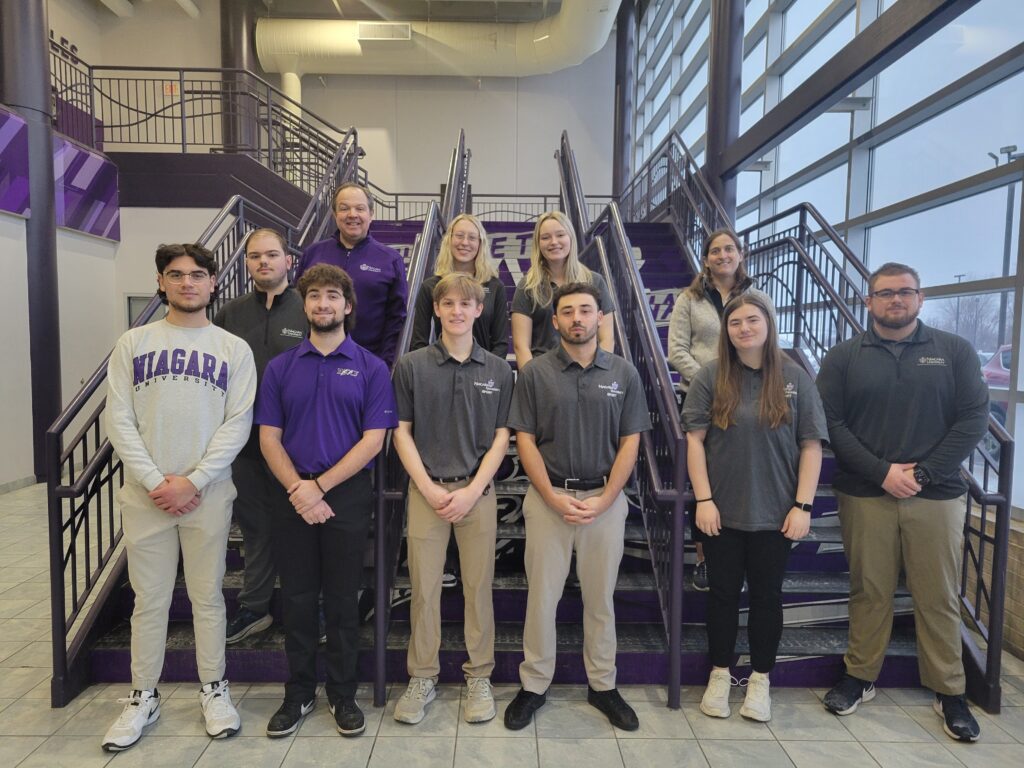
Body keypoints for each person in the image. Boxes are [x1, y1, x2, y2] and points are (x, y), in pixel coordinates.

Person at [816, 262, 989, 741]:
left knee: (937, 594)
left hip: (936, 496)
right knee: (869, 589)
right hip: (866, 491)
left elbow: (973, 419)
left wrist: (923, 472)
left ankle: (949, 689)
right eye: (885, 293)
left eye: (905, 292)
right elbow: (831, 423)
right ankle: (859, 676)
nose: (896, 300)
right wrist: (882, 472)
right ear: (868, 302)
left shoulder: (952, 351)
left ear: (920, 298)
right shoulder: (844, 356)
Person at [102, 243, 257, 751]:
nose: (188, 283)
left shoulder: (234, 349)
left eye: (197, 275)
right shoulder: (133, 343)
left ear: (213, 283)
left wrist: (193, 480)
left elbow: (238, 424)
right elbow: (118, 419)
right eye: (176, 275)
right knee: (149, 601)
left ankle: (214, 690)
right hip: (146, 496)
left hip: (207, 494)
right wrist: (154, 481)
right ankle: (143, 695)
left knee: (207, 597)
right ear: (161, 282)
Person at [257, 264, 398, 738]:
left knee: (341, 602)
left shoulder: (370, 367)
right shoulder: (280, 367)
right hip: (292, 496)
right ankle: (298, 694)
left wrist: (321, 487)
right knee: (296, 601)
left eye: (332, 296)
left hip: (346, 498)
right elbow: (269, 438)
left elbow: (373, 440)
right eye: (314, 295)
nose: (323, 304)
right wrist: (301, 488)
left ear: (347, 305)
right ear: (305, 304)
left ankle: (342, 695)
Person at [503, 282, 651, 732]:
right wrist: (550, 495)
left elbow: (631, 443)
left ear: (600, 317)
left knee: (600, 599)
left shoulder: (623, 373)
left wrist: (607, 499)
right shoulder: (535, 374)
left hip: (604, 502)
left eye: (586, 310)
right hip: (549, 500)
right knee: (541, 600)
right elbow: (523, 439)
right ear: (556, 321)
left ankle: (603, 685)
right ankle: (534, 685)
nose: (577, 319)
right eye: (568, 312)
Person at [682, 292, 826, 723]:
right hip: (720, 512)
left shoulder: (795, 378)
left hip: (776, 514)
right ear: (725, 331)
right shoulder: (710, 377)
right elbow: (694, 442)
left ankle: (761, 679)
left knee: (767, 597)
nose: (744, 328)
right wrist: (703, 500)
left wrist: (803, 505)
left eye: (752, 320)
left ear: (768, 324)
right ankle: (721, 673)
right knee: (723, 597)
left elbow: (811, 446)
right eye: (735, 322)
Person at [392, 273, 514, 725]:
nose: (458, 311)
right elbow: (400, 432)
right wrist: (426, 486)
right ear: (438, 310)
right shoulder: (411, 366)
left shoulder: (499, 370)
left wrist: (473, 490)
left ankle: (478, 676)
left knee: (478, 589)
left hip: (477, 494)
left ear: (479, 310)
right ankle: (422, 676)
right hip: (427, 491)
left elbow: (503, 438)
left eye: (467, 304)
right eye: (449, 304)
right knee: (423, 590)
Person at [214, 228, 308, 644]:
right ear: (247, 263)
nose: (263, 262)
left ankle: (304, 608)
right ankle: (254, 608)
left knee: (301, 526)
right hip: (246, 441)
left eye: (272, 255)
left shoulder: (311, 308)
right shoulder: (229, 315)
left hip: (299, 442)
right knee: (255, 526)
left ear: (290, 261)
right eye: (255, 256)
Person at [668, 228, 772, 592]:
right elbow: (677, 350)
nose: (723, 255)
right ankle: (705, 558)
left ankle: (745, 556)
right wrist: (714, 382)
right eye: (716, 250)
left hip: (752, 398)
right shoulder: (690, 299)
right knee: (703, 479)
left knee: (745, 474)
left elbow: (769, 341)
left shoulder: (757, 297)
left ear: (740, 254)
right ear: (706, 258)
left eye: (730, 249)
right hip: (701, 397)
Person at [295, 182, 408, 367]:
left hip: (369, 363)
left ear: (371, 214)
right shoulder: (313, 254)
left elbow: (396, 318)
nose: (352, 214)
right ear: (335, 214)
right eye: (344, 208)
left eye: (360, 208)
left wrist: (384, 364)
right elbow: (298, 305)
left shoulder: (390, 260)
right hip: (315, 360)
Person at [510, 211, 615, 369]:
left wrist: (599, 374)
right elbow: (521, 346)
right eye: (545, 237)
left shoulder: (595, 282)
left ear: (571, 238)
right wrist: (532, 381)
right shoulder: (527, 287)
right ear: (538, 244)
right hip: (543, 374)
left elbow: (607, 339)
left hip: (587, 371)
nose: (554, 242)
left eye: (560, 235)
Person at [410, 213, 509, 358]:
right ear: (449, 240)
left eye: (472, 237)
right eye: (459, 235)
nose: (465, 242)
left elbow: (500, 344)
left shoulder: (495, 287)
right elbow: (419, 342)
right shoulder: (431, 286)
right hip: (441, 369)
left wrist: (487, 372)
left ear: (480, 243)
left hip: (483, 373)